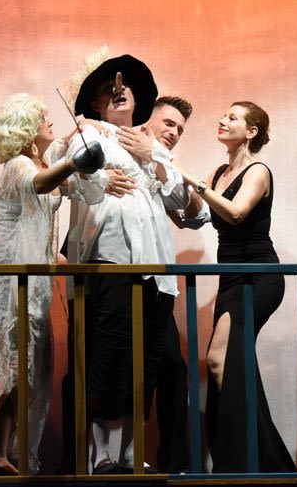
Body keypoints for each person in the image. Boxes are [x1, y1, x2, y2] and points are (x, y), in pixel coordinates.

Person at [61, 53, 183, 474]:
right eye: (108, 88)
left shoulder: (150, 145)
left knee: (145, 362)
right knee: (106, 356)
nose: (118, 90)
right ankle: (101, 454)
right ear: (95, 103)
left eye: (125, 85)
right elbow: (79, 178)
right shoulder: (87, 133)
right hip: (109, 261)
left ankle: (131, 452)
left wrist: (154, 154)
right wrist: (96, 159)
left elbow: (182, 199)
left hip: (155, 268)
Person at [0, 93, 104, 475]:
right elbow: (41, 185)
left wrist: (87, 160)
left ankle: (5, 450)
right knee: (15, 365)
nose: (50, 120)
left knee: (32, 368)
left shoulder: (43, 163)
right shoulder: (19, 165)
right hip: (7, 278)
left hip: (31, 278)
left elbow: (79, 187)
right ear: (26, 129)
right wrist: (73, 162)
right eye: (42, 117)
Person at [176, 101, 296, 473]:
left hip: (258, 276)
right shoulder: (218, 173)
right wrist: (166, 185)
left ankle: (242, 462)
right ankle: (264, 464)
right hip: (231, 277)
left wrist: (190, 178)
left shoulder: (258, 171)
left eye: (232, 117)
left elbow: (236, 212)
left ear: (252, 131)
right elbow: (194, 216)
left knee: (219, 360)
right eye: (224, 115)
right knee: (234, 366)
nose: (222, 120)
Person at [118, 96, 204, 473]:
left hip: (157, 282)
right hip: (118, 276)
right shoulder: (118, 141)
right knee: (118, 367)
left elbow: (196, 214)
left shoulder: (161, 159)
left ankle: (175, 462)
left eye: (180, 129)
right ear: (148, 120)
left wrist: (158, 157)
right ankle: (113, 458)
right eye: (168, 123)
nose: (174, 133)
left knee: (170, 367)